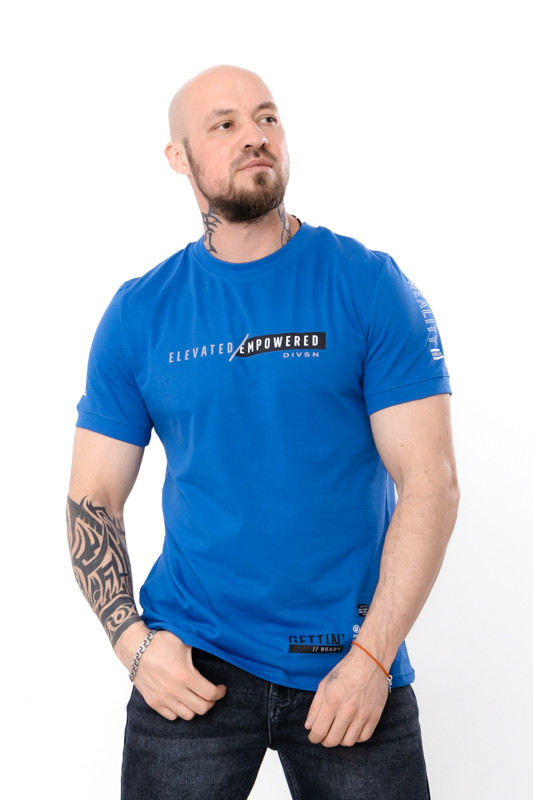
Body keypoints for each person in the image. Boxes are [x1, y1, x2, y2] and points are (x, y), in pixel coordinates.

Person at [67, 65, 459, 800]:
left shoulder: (368, 284)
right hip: (192, 667)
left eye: (267, 117)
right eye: (223, 124)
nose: (254, 135)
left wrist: (373, 659)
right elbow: (93, 495)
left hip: (349, 666)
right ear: (178, 157)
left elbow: (429, 481)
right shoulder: (140, 312)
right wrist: (133, 646)